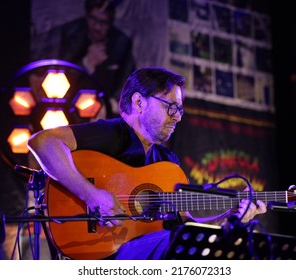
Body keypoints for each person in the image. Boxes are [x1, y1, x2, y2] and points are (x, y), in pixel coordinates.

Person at [27, 66, 267, 260]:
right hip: (103, 250)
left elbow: (185, 228)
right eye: (170, 106)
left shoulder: (167, 162)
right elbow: (42, 142)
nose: (177, 117)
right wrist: (91, 195)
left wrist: (229, 218)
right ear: (139, 102)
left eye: (180, 110)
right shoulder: (112, 133)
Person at [31, 0, 135, 115]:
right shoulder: (69, 35)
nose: (97, 27)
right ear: (86, 16)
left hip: (103, 108)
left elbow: (128, 79)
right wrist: (87, 63)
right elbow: (55, 75)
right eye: (93, 19)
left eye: (103, 22)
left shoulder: (121, 43)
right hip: (67, 107)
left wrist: (112, 104)